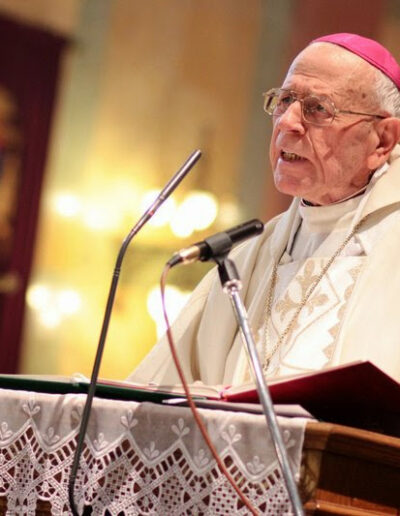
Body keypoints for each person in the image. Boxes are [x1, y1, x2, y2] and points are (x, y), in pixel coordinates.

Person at [129, 33, 400, 386]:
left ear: (382, 140)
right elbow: (154, 392)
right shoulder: (246, 260)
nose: (287, 122)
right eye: (284, 100)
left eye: (318, 108)